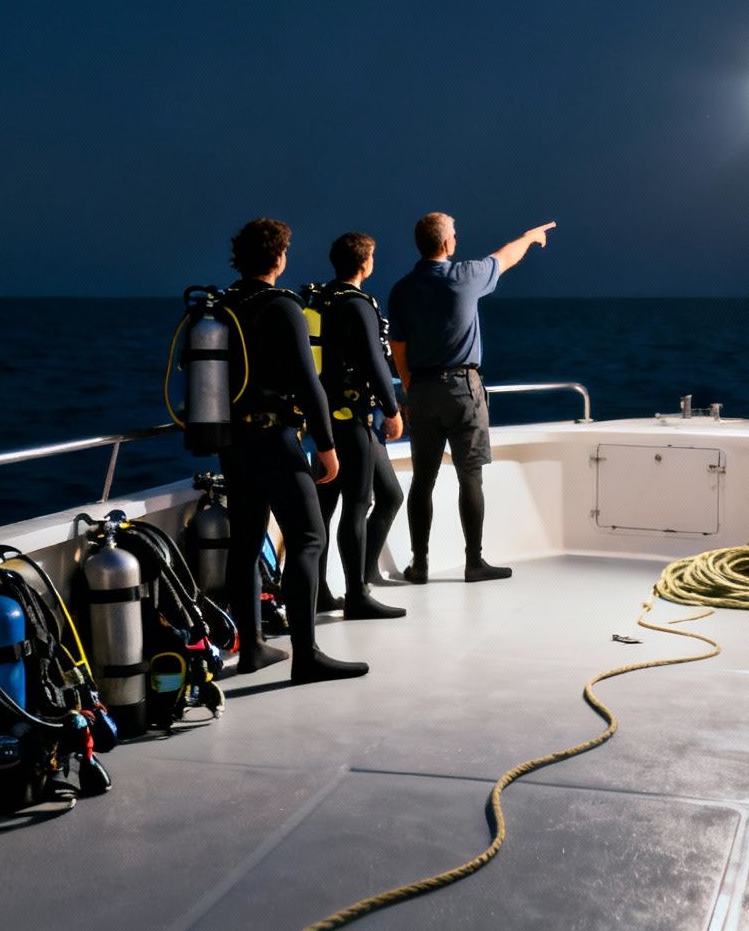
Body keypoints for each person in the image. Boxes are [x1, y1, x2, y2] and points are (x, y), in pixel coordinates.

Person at [215, 218, 367, 682]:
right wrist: (326, 447)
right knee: (307, 538)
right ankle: (306, 656)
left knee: (244, 544)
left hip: (232, 442)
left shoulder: (224, 305)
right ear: (279, 258)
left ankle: (255, 646)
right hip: (275, 438)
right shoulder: (282, 306)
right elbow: (309, 382)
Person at [387, 213, 556, 584]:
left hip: (422, 389)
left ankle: (419, 564)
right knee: (470, 477)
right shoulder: (465, 276)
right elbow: (506, 257)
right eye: (454, 234)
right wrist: (529, 237)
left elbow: (397, 346)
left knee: (423, 480)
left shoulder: (401, 289)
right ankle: (474, 562)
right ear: (447, 244)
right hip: (463, 389)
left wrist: (410, 387)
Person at [312, 232, 408, 620]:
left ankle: (323, 592)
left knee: (339, 504)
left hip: (325, 422)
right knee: (356, 504)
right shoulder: (357, 304)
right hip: (352, 422)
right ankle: (357, 596)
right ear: (365, 263)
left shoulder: (321, 300)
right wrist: (392, 408)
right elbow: (374, 361)